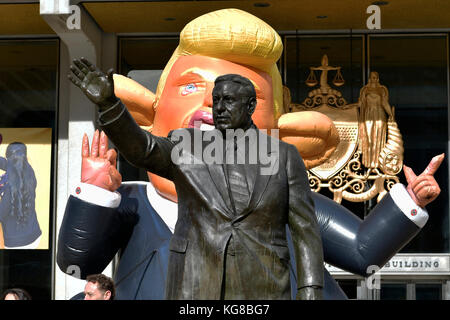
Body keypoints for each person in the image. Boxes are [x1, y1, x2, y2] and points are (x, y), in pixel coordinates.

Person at [57, 9, 443, 300]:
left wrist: (408, 202)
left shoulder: (280, 175)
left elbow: (360, 251)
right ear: (150, 110)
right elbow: (78, 263)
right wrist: (96, 192)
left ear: (281, 127)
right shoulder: (140, 198)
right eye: (193, 89)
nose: (213, 107)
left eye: (242, 99)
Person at [0, 142, 42, 249]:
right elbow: (8, 164)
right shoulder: (30, 172)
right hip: (35, 235)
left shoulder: (9, 187)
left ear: (10, 159)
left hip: (17, 243)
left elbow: (1, 214)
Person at [358, 71, 394, 169]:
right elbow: (360, 104)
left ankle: (377, 163)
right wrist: (348, 108)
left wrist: (391, 115)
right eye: (372, 77)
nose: (373, 79)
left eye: (375, 77)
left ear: (377, 79)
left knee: (378, 137)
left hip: (379, 115)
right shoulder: (365, 90)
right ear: (369, 78)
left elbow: (385, 103)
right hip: (368, 115)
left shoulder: (382, 90)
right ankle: (368, 163)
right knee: (369, 138)